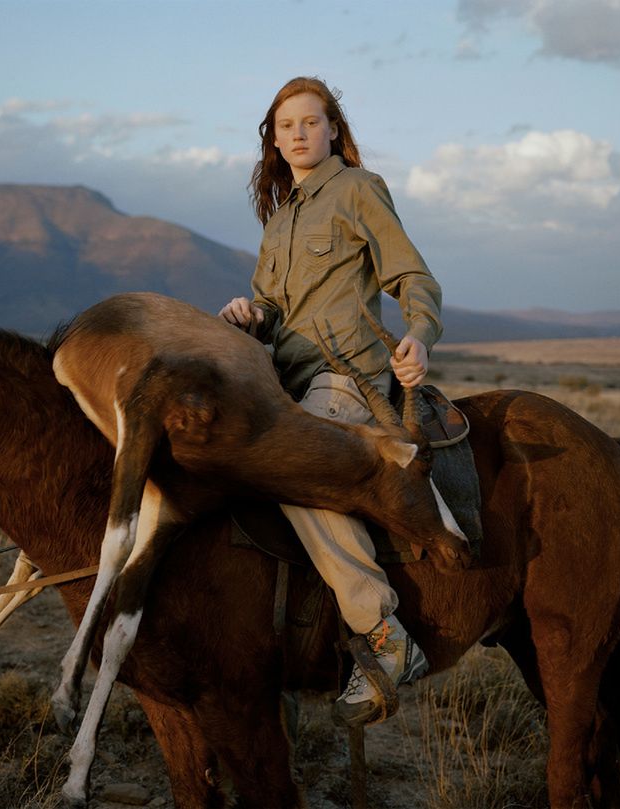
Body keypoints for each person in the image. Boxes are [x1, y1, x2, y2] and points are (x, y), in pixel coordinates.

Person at [219, 76, 446, 727]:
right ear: (274, 137)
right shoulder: (280, 217)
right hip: (286, 386)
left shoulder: (356, 189)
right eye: (284, 124)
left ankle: (385, 637)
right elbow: (271, 308)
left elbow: (411, 275)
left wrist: (419, 335)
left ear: (331, 129)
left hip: (346, 381)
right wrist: (248, 312)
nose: (296, 132)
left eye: (309, 121)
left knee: (293, 471)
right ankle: (281, 662)